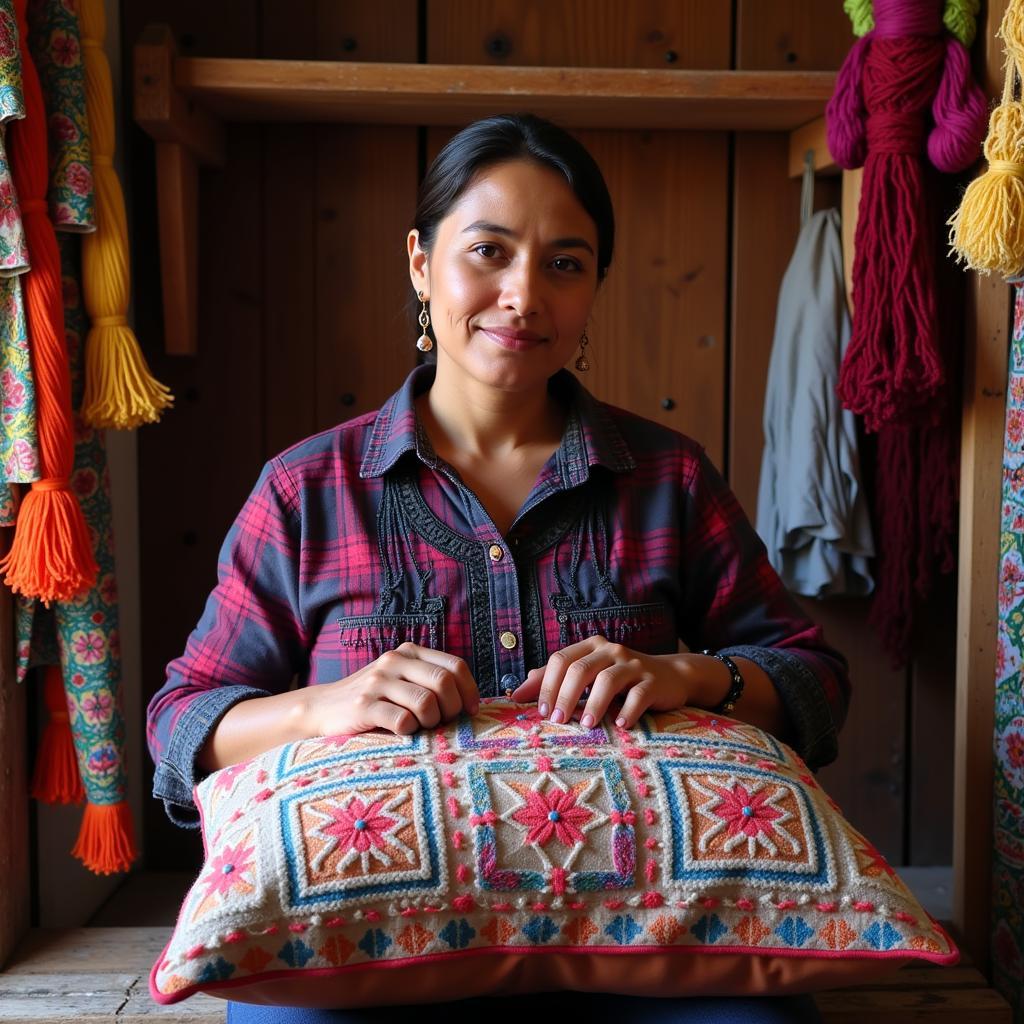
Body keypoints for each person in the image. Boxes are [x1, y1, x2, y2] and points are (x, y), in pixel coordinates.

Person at [147, 113, 847, 1024]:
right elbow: (180, 725)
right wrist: (326, 707)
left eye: (565, 262)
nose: (524, 294)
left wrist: (684, 675)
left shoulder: (666, 477)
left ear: (595, 286)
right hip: (369, 952)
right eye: (488, 251)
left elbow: (813, 679)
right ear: (419, 262)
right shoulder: (307, 491)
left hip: (639, 947)